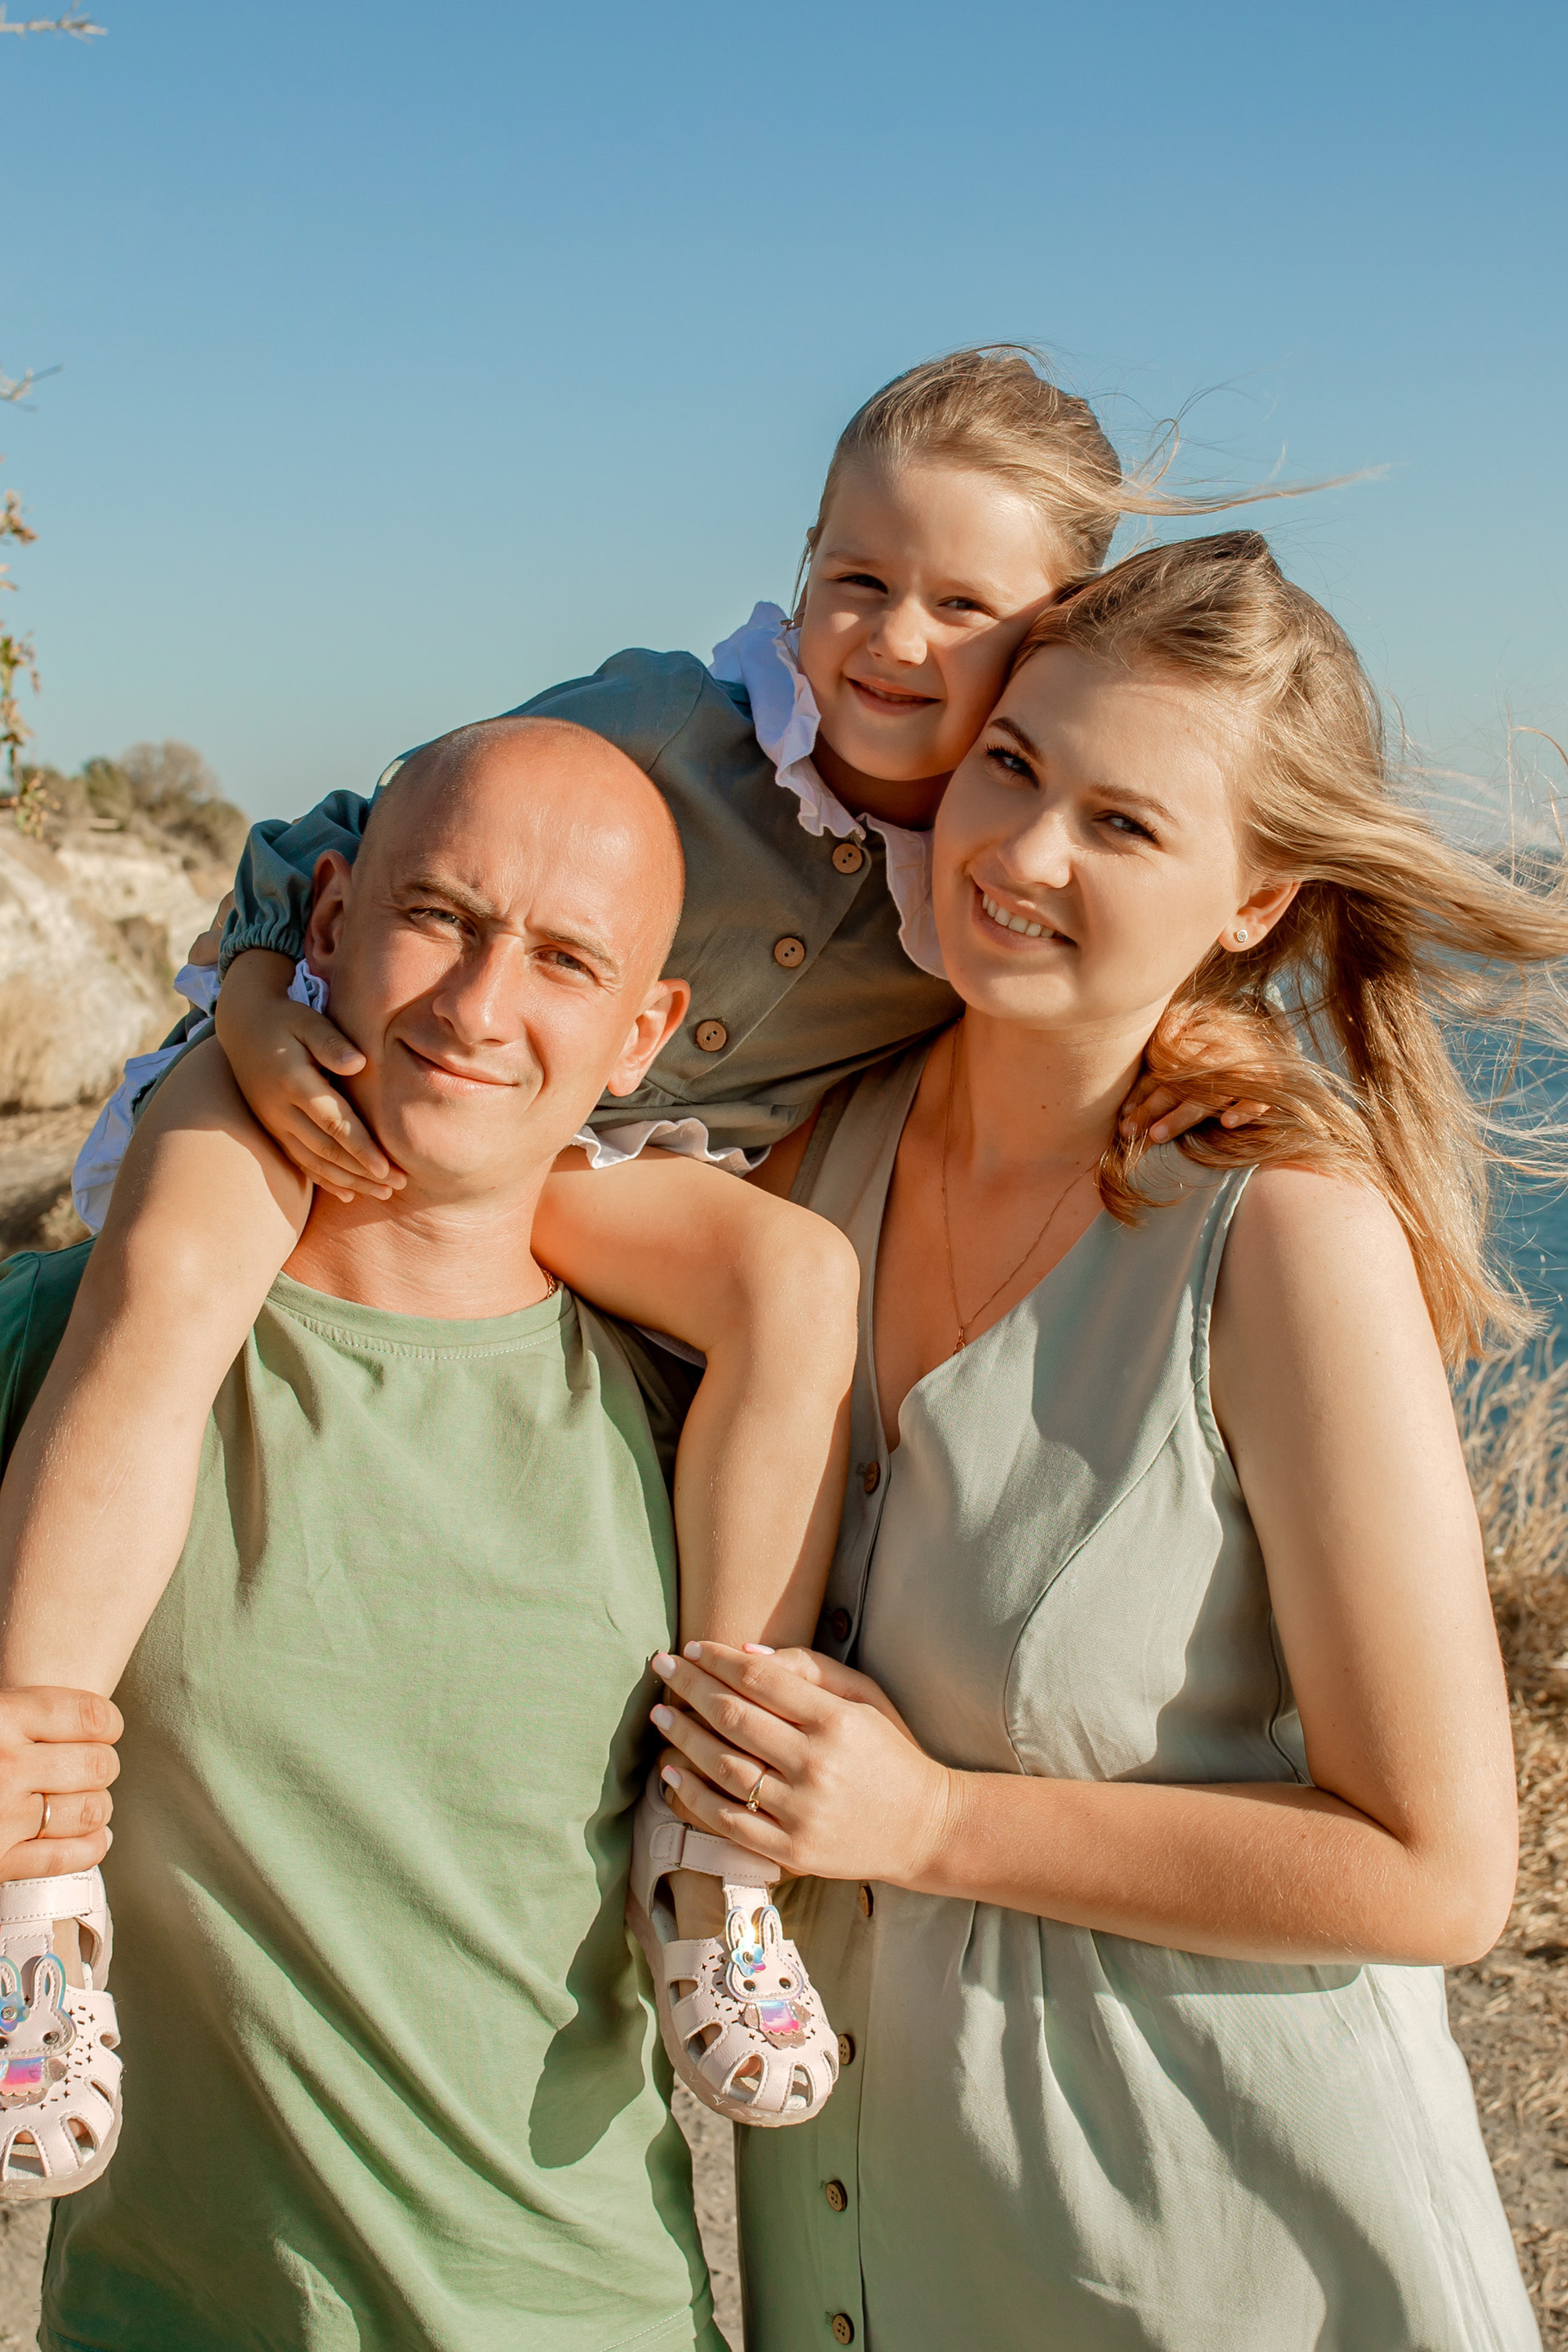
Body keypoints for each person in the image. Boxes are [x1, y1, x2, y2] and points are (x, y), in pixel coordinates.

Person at [0, 349, 1270, 2129]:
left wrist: (1214, 1079)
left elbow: (1128, 972)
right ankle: (31, 1870)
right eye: (858, 578)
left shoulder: (978, 881)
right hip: (348, 1064)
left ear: (1047, 631)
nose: (892, 640)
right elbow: (362, 833)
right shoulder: (670, 721)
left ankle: (712, 1851)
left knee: (792, 1279)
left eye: (963, 606)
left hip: (582, 1164)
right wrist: (254, 999)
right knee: (173, 1286)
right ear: (804, 559)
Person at [650, 533, 1545, 2350]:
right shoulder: (811, 1161)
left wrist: (932, 1823)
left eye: (1127, 827)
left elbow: (1441, 1873)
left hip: (1234, 2259)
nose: (1025, 855)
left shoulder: (1284, 1241)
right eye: (1014, 766)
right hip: (866, 2262)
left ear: (1255, 897)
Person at [0, 717, 752, 2346]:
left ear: (645, 1034)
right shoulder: (79, 1343)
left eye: (565, 958)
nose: (481, 1007)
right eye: (441, 919)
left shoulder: (692, 1421)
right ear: (325, 919)